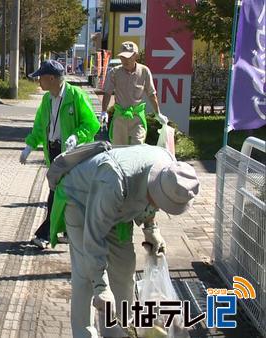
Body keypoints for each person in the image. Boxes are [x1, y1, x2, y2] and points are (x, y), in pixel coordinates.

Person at [47, 144, 200, 337]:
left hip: (119, 208)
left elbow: (150, 201)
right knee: (86, 275)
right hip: (80, 201)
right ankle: (84, 333)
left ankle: (119, 331)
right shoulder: (112, 179)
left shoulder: (168, 167)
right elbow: (94, 238)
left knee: (124, 268)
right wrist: (101, 287)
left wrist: (151, 228)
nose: (159, 206)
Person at [20, 60, 100, 249]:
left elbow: (92, 124)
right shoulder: (47, 99)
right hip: (54, 150)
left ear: (52, 78)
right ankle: (67, 231)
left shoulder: (75, 96)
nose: (38, 82)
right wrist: (29, 146)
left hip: (73, 154)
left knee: (57, 193)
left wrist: (76, 136)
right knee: (66, 193)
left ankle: (46, 234)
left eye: (41, 78)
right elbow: (40, 126)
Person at [101, 41, 168, 145]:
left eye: (128, 57)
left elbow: (151, 93)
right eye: (122, 57)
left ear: (135, 56)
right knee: (119, 150)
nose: (125, 60)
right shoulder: (114, 72)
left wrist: (157, 113)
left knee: (137, 147)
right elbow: (107, 92)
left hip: (137, 117)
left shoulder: (144, 71)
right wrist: (104, 111)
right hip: (120, 116)